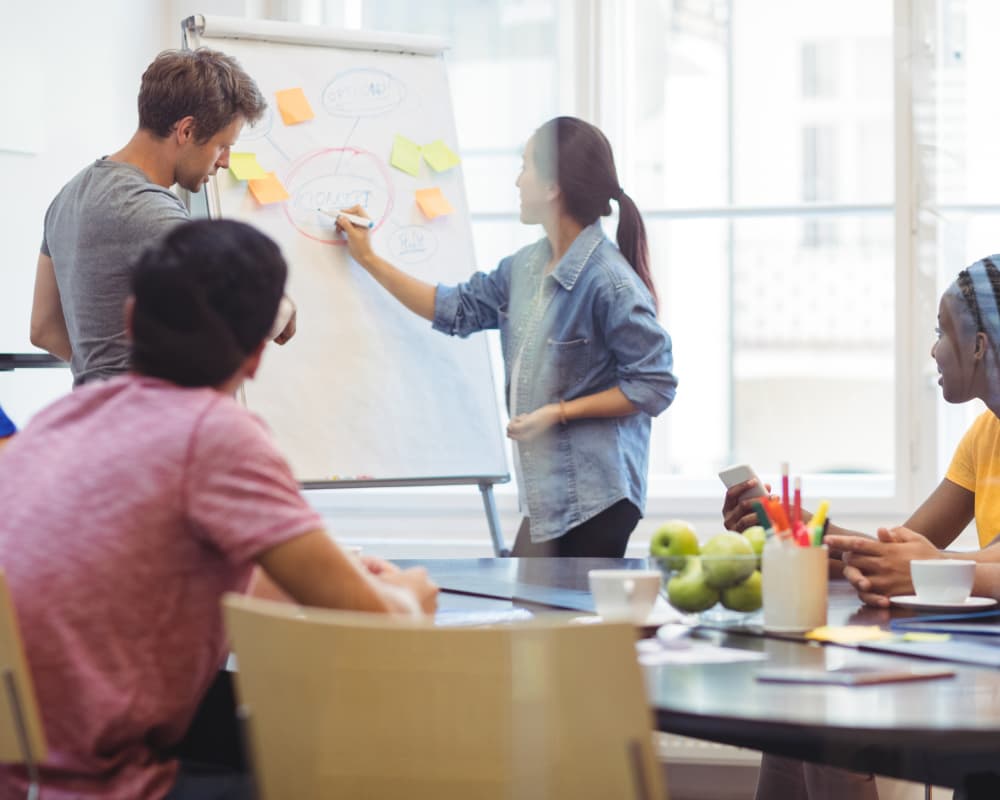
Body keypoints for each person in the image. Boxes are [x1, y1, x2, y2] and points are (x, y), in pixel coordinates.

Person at [0, 219, 438, 800]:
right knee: (364, 767)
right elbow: (382, 622)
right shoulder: (216, 433)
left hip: (19, 776)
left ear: (130, 321)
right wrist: (406, 596)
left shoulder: (62, 418)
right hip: (101, 786)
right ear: (256, 355)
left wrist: (331, 576)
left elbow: (144, 566)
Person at [722, 256, 1000, 800]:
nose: (933, 350)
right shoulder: (984, 435)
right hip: (975, 654)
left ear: (979, 346)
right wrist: (800, 532)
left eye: (941, 332)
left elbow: (936, 561)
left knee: (831, 721)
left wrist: (926, 568)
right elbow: (895, 551)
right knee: (802, 711)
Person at [336, 116, 677, 557]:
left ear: (552, 186)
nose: (517, 181)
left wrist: (557, 412)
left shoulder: (609, 282)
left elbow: (654, 384)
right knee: (527, 596)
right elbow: (454, 309)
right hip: (552, 498)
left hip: (598, 498)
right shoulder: (525, 268)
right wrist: (368, 258)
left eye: (525, 167)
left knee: (544, 600)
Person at [29, 47, 295, 388]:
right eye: (222, 146)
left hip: (98, 409)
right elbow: (250, 316)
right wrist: (284, 306)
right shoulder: (152, 213)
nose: (225, 161)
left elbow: (43, 329)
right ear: (186, 131)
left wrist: (104, 377)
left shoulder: (69, 195)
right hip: (153, 415)